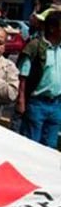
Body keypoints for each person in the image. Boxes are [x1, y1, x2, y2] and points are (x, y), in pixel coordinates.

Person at [17, 10, 61, 148]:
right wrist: (21, 100)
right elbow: (23, 76)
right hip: (36, 104)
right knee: (32, 146)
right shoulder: (35, 46)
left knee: (50, 147)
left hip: (56, 105)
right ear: (53, 28)